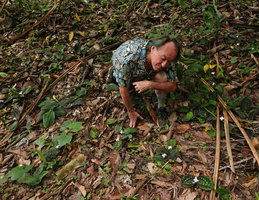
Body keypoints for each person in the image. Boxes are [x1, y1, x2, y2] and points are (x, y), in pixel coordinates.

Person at [107, 35, 180, 128]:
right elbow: (123, 89)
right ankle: (114, 74)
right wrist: (131, 112)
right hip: (130, 67)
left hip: (147, 70)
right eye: (163, 58)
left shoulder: (168, 55)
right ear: (153, 49)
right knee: (125, 85)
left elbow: (173, 86)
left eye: (169, 61)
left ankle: (161, 108)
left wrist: (150, 84)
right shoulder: (127, 59)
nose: (164, 64)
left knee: (162, 78)